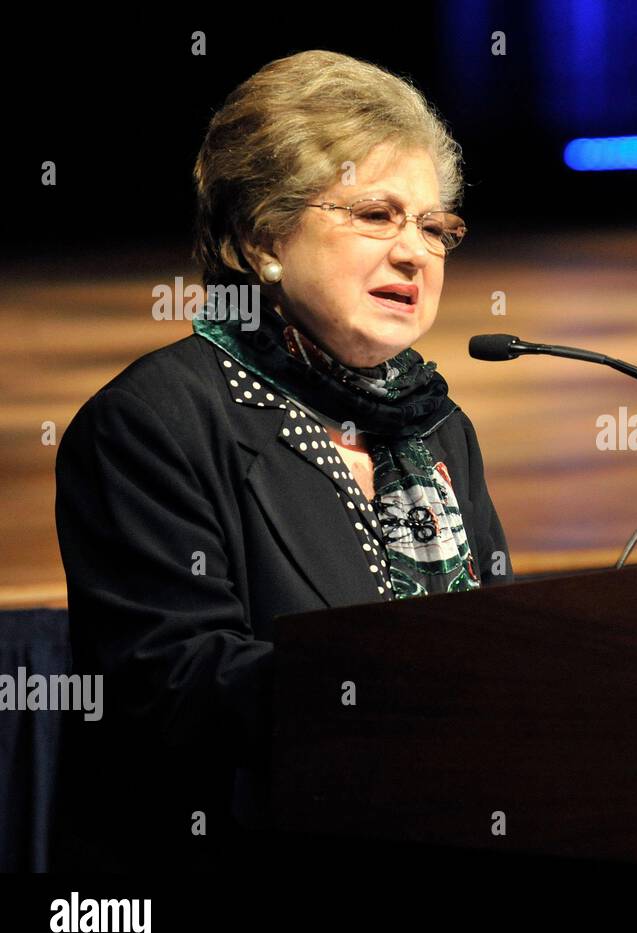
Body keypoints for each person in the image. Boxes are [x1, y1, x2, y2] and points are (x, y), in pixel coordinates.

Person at [51, 50, 512, 871]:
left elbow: (507, 635)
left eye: (435, 226)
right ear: (262, 238)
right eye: (377, 215)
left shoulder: (436, 424)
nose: (417, 253)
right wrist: (429, 683)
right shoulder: (152, 423)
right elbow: (180, 687)